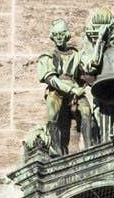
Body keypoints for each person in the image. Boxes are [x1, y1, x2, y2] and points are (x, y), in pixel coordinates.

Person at [37, 19, 97, 152]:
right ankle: (57, 150)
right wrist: (71, 89)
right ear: (52, 36)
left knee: (86, 110)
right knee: (52, 112)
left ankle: (89, 148)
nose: (59, 37)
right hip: (57, 89)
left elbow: (89, 65)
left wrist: (95, 47)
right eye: (56, 34)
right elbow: (50, 79)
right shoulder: (48, 56)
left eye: (61, 34)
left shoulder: (75, 54)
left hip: (74, 87)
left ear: (67, 35)